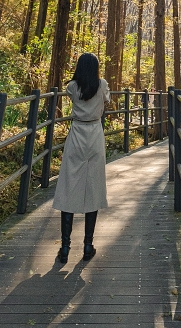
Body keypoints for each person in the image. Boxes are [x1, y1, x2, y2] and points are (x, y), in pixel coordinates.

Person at [52, 53, 110, 263]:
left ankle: (65, 247)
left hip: (76, 133)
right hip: (94, 135)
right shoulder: (102, 84)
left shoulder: (72, 87)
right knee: (93, 187)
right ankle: (88, 245)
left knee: (69, 186)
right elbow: (107, 100)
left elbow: (72, 91)